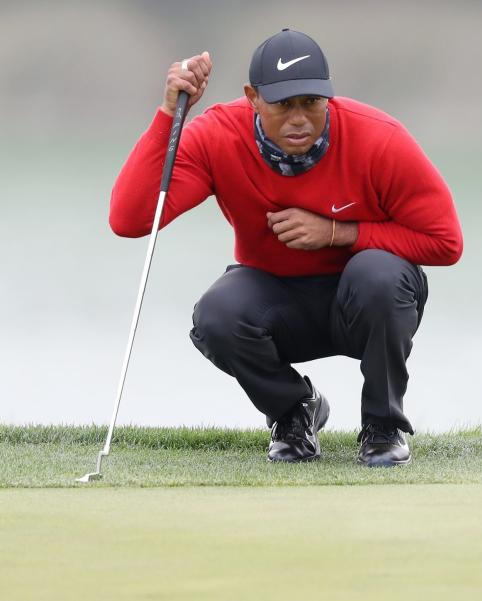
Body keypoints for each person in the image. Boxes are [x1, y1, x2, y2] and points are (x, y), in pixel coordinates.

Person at [109, 29, 463, 467]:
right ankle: (295, 412)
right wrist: (168, 114)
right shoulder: (218, 136)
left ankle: (382, 427)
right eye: (283, 105)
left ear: (328, 98)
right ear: (253, 97)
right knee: (218, 313)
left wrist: (340, 233)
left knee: (380, 275)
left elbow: (445, 242)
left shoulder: (379, 139)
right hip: (278, 304)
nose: (300, 119)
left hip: (365, 303)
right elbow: (129, 219)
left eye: (311, 103)